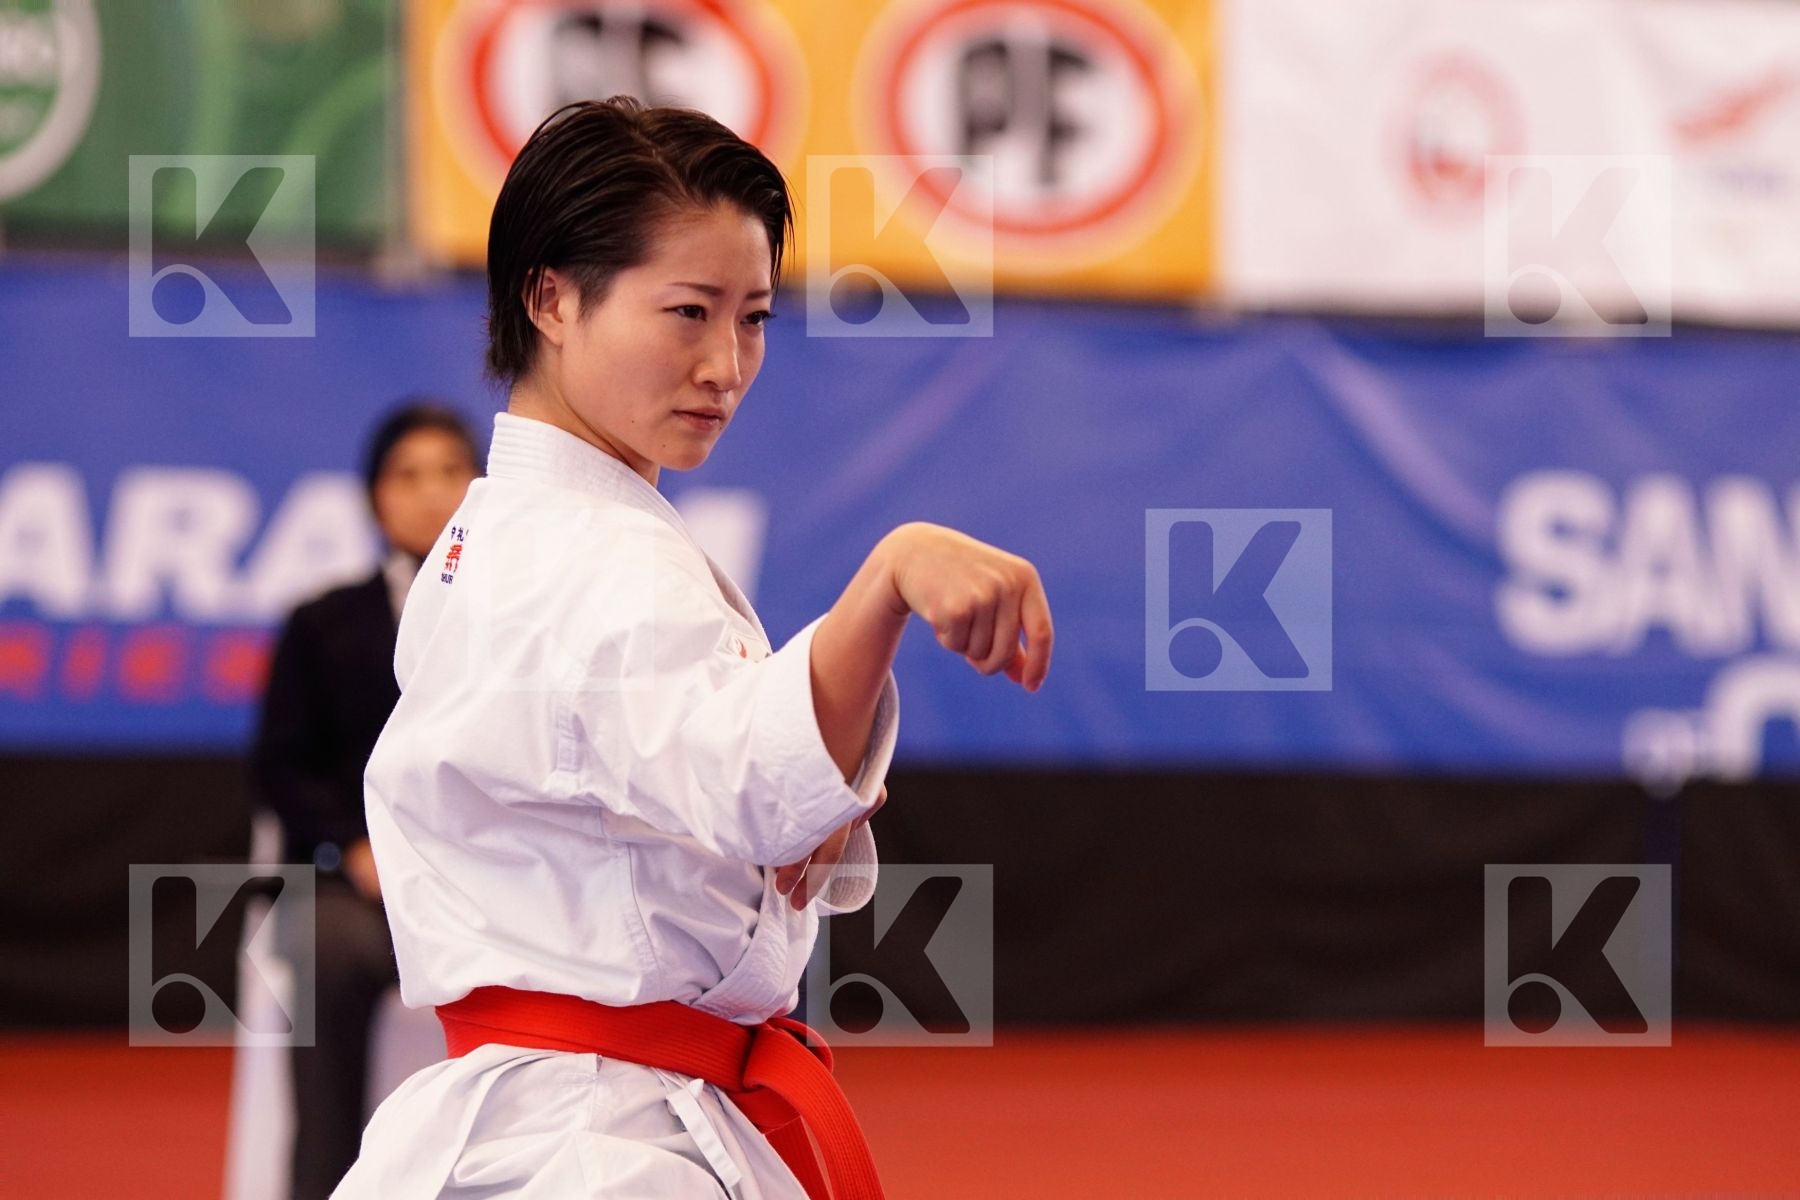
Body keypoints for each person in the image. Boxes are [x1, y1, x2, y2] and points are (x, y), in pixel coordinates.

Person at [333, 97, 1052, 1199]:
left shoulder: (489, 538)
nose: (726, 362)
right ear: (551, 298)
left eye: (753, 316)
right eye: (688, 311)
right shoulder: (600, 559)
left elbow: (688, 799)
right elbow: (758, 790)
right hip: (601, 1144)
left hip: (527, 1121)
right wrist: (889, 577)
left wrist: (785, 817)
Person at [251, 403, 482, 1200]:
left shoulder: (518, 620)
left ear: (482, 489)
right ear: (375, 498)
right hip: (357, 892)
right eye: (407, 476)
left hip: (494, 889)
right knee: (328, 952)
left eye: (451, 472)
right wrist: (355, 848)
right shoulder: (321, 624)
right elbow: (280, 768)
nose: (431, 494)